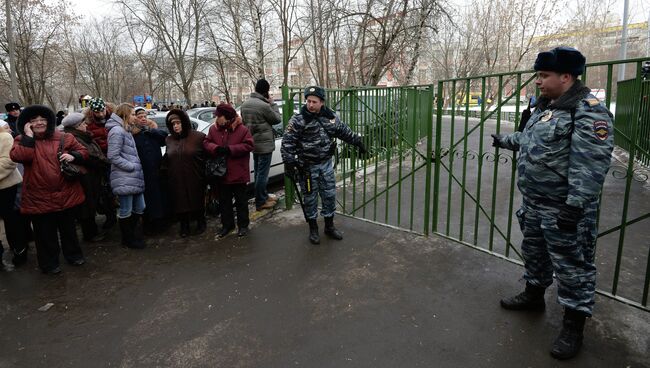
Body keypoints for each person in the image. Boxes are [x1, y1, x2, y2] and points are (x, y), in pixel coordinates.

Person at [491, 47, 614, 360]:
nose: (538, 81)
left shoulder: (588, 110)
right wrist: (504, 139)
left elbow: (591, 164)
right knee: (534, 251)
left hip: (564, 208)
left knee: (573, 267)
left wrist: (574, 206)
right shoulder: (548, 107)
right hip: (534, 202)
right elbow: (530, 140)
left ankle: (574, 325)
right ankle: (534, 294)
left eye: (544, 76)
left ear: (566, 77)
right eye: (539, 75)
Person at [281, 86, 366, 245]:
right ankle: (313, 229)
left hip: (326, 165)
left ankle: (329, 226)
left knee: (329, 195)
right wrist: (289, 164)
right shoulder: (299, 120)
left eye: (314, 102)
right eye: (308, 101)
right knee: (310, 198)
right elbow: (287, 143)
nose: (310, 105)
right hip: (307, 168)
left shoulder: (330, 117)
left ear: (322, 102)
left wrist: (358, 142)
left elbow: (343, 131)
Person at [10, 105, 88, 274]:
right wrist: (28, 138)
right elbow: (20, 157)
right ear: (27, 124)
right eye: (34, 120)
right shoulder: (21, 140)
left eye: (42, 119)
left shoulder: (63, 137)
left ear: (49, 121)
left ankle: (74, 256)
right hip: (39, 197)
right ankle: (49, 264)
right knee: (44, 235)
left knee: (69, 230)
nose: (39, 123)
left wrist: (73, 156)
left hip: (66, 192)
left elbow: (83, 151)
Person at [203, 103, 254, 237]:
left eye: (219, 116)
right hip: (221, 174)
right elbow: (206, 143)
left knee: (241, 201)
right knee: (224, 202)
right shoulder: (214, 129)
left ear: (227, 117)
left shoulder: (242, 130)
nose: (216, 118)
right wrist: (215, 148)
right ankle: (227, 225)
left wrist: (231, 149)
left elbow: (249, 145)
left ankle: (243, 226)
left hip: (238, 173)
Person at [62, 112, 110, 242]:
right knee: (86, 205)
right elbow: (87, 156)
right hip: (85, 176)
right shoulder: (73, 137)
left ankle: (92, 231)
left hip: (92, 174)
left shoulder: (83, 135)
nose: (86, 125)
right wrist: (102, 162)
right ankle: (90, 234)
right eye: (83, 123)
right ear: (76, 126)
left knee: (91, 203)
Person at [106, 103, 146, 249]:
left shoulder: (126, 130)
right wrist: (131, 166)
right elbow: (113, 156)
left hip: (132, 177)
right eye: (133, 114)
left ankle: (132, 235)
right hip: (124, 176)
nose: (135, 117)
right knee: (126, 210)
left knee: (140, 207)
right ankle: (128, 239)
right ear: (125, 115)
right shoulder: (117, 131)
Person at [240, 78, 281, 211]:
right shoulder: (264, 106)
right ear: (266, 92)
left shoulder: (245, 105)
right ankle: (261, 202)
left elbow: (245, 124)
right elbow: (276, 119)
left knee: (258, 172)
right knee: (262, 175)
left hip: (253, 143)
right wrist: (273, 104)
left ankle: (263, 196)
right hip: (264, 146)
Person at [164, 109, 207, 237]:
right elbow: (167, 157)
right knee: (180, 202)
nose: (176, 126)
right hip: (176, 177)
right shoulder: (169, 140)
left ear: (184, 122)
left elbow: (206, 156)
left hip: (195, 175)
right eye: (173, 124)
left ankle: (201, 222)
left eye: (178, 123)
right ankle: (184, 226)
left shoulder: (198, 137)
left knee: (197, 199)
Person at [131, 106, 168, 234]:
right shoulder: (132, 134)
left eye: (144, 117)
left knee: (159, 198)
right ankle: (148, 224)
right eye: (139, 117)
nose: (142, 119)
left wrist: (151, 130)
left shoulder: (152, 130)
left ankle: (160, 223)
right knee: (146, 200)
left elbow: (165, 139)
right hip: (142, 172)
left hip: (157, 170)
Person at [0, 120, 29, 267]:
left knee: (13, 221)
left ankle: (20, 251)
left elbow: (9, 162)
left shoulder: (4, 137)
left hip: (7, 188)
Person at [86, 97, 117, 230]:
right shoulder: (89, 123)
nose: (100, 114)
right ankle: (111, 216)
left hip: (115, 158)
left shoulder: (115, 118)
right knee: (105, 191)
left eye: (102, 111)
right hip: (100, 161)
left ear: (106, 108)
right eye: (97, 112)